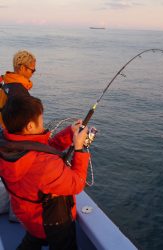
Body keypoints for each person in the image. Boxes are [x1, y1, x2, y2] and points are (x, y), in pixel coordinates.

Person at [0, 95, 90, 250]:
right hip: (52, 223)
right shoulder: (45, 165)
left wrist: (69, 133)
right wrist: (79, 149)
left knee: (34, 238)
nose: (43, 124)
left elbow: (42, 148)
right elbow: (77, 183)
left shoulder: (7, 146)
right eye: (40, 120)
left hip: (27, 215)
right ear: (29, 126)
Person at [0, 50, 36, 127]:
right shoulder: (19, 91)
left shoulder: (4, 81)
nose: (33, 73)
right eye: (32, 70)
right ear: (22, 68)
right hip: (8, 131)